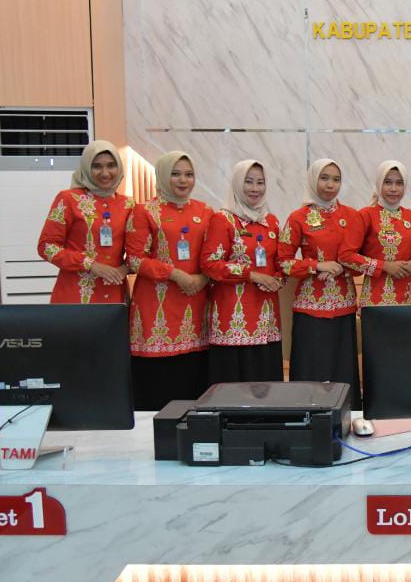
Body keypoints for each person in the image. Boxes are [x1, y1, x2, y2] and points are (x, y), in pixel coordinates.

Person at [125, 151, 213, 411]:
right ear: (163, 175)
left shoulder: (205, 211)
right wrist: (174, 274)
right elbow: (135, 260)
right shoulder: (144, 211)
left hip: (196, 303)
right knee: (158, 380)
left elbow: (215, 254)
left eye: (189, 174)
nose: (183, 180)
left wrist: (204, 277)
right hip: (156, 307)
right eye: (175, 174)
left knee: (194, 377)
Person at [278, 159, 362, 407]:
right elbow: (283, 262)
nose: (330, 184)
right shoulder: (298, 217)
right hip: (310, 308)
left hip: (344, 306)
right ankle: (308, 417)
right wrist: (316, 266)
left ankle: (346, 417)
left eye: (336, 179)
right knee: (311, 369)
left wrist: (341, 267)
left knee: (342, 370)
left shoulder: (352, 216)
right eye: (324, 178)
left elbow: (361, 259)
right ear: (313, 180)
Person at [200, 159, 284, 385]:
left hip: (266, 317)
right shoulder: (223, 219)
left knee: (265, 384)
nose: (255, 188)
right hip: (232, 318)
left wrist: (279, 278)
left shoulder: (271, 222)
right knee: (234, 386)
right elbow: (210, 263)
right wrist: (251, 275)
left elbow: (280, 262)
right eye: (248, 182)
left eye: (260, 182)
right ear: (237, 183)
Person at [37, 139, 133, 304]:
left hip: (115, 293)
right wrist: (90, 264)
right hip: (75, 295)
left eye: (111, 165)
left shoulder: (128, 204)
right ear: (86, 168)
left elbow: (138, 250)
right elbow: (47, 247)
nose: (105, 173)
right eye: (97, 166)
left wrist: (124, 269)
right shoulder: (68, 199)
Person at [341, 160, 411, 307]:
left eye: (399, 183)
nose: (393, 189)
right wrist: (383, 266)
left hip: (407, 297)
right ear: (379, 183)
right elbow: (346, 256)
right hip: (375, 298)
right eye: (388, 182)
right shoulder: (365, 215)